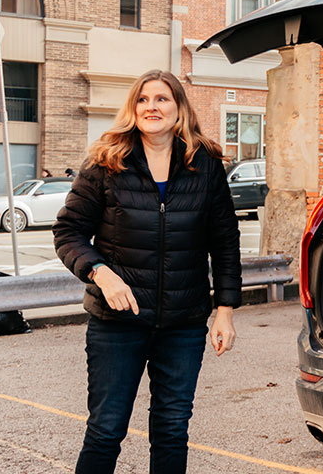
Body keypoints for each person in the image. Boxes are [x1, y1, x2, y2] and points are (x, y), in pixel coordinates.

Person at [53, 69, 241, 474]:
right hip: (117, 323)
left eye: (162, 99)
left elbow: (225, 241)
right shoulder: (106, 161)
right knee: (106, 429)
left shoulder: (204, 165)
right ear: (132, 108)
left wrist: (225, 309)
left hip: (184, 322)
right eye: (143, 99)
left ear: (179, 109)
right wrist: (100, 272)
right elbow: (68, 232)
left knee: (172, 429)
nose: (151, 107)